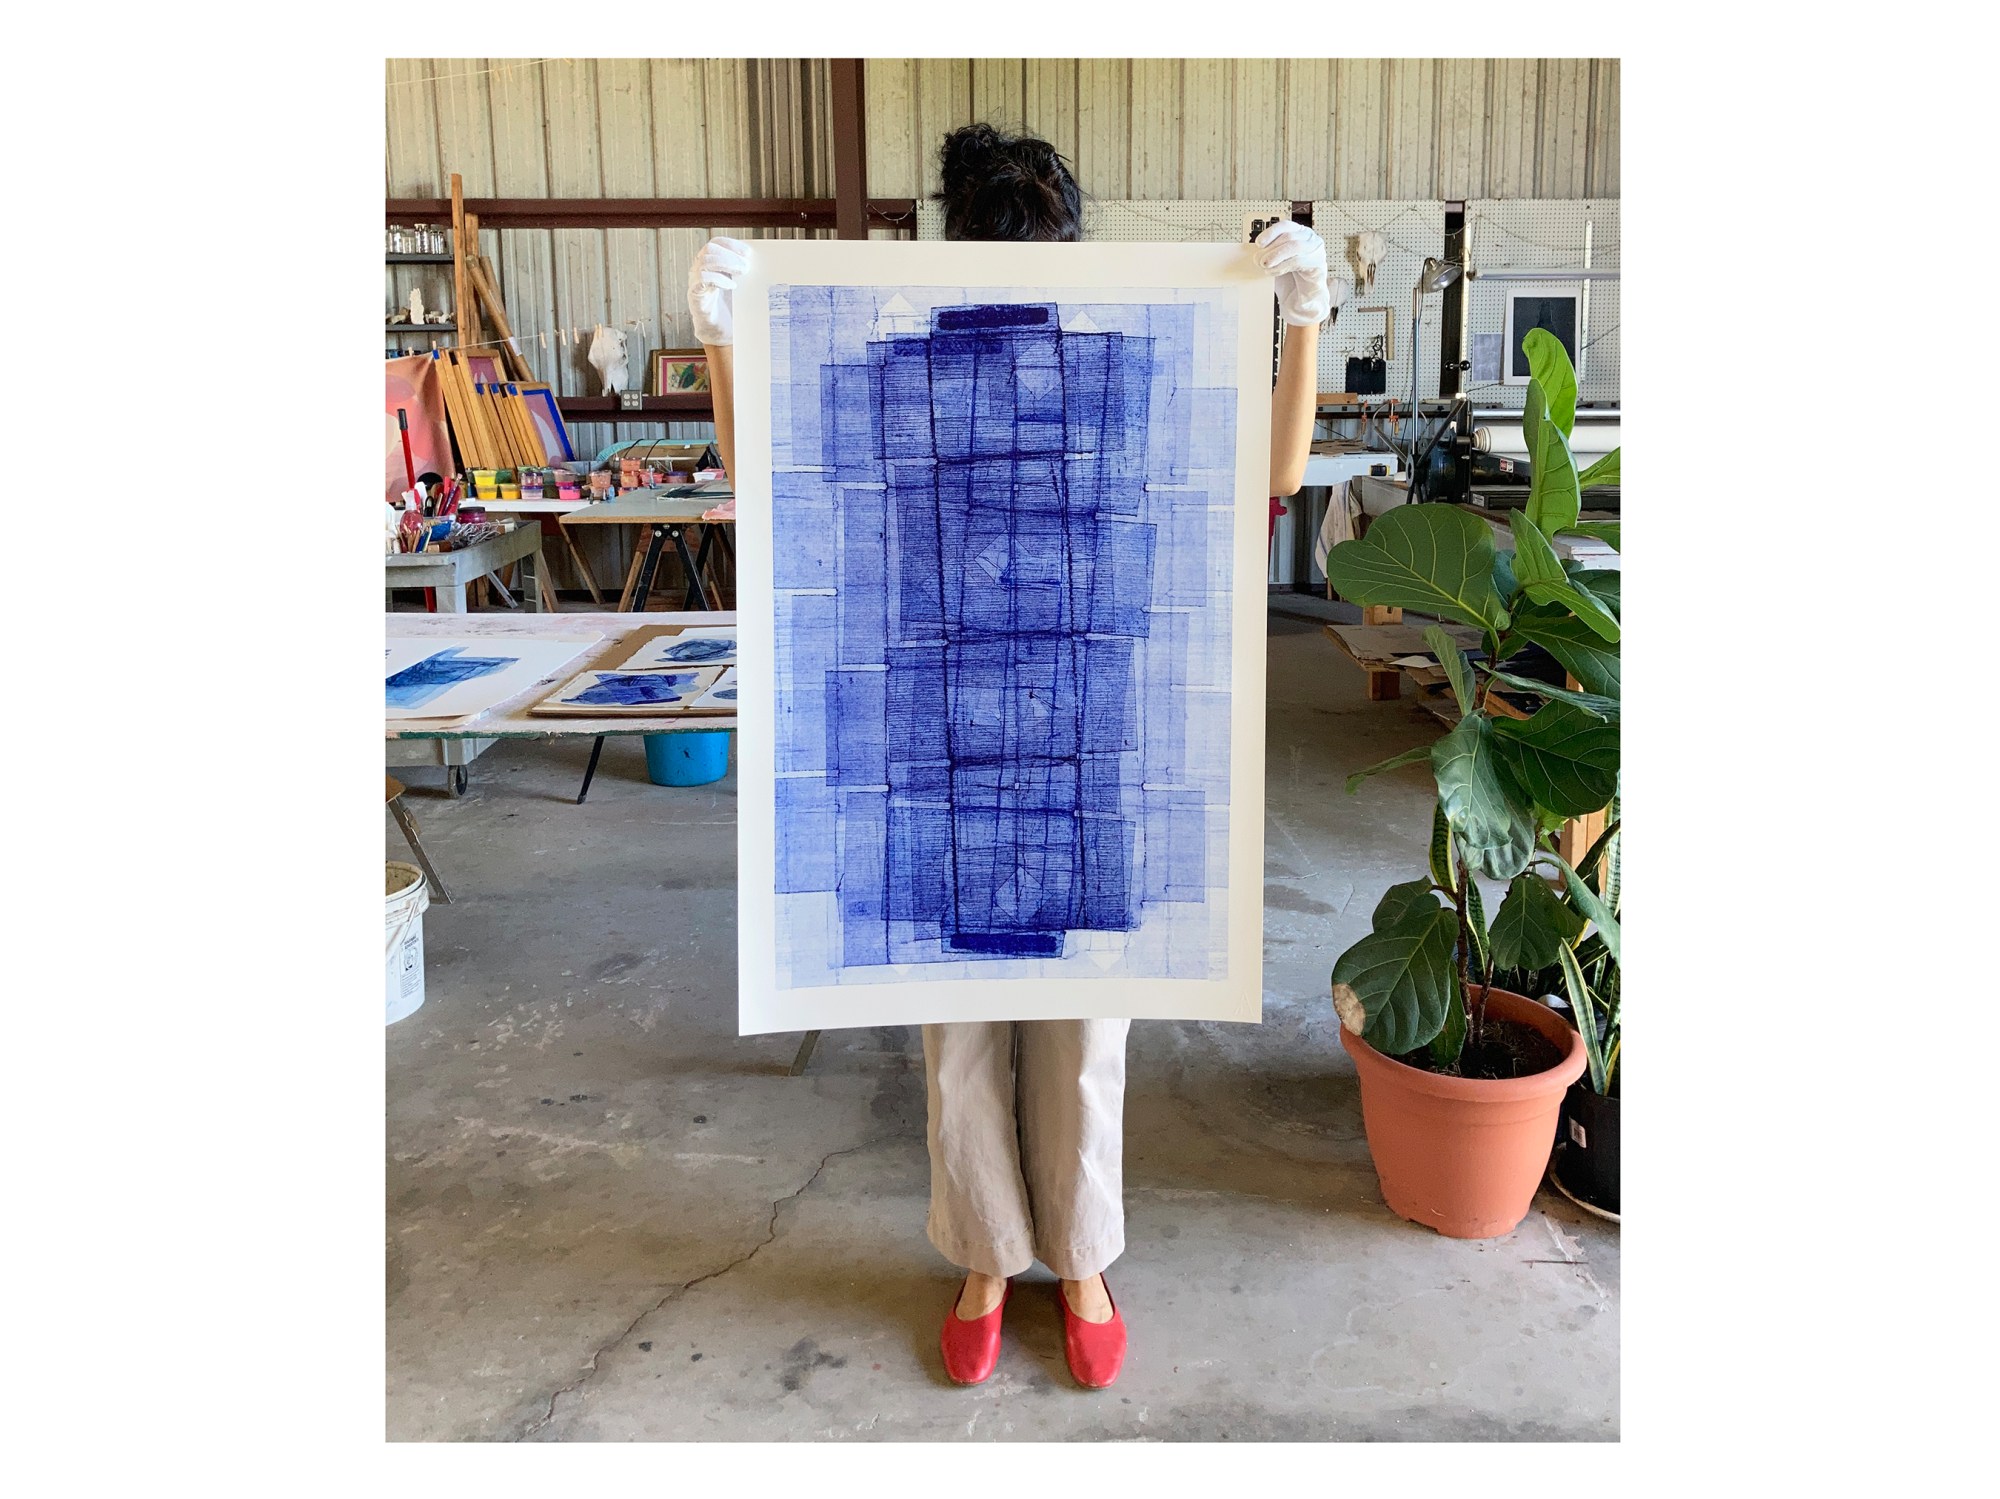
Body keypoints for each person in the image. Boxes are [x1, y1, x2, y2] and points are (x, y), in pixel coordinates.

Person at [686, 124, 1337, 1391]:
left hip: (1083, 738)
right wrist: (724, 341)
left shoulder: (1115, 366)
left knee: (1084, 1028)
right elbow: (770, 477)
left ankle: (1080, 1257)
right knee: (962, 1035)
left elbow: (1272, 468)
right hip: (933, 741)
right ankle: (988, 1255)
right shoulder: (906, 372)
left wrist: (1297, 321)